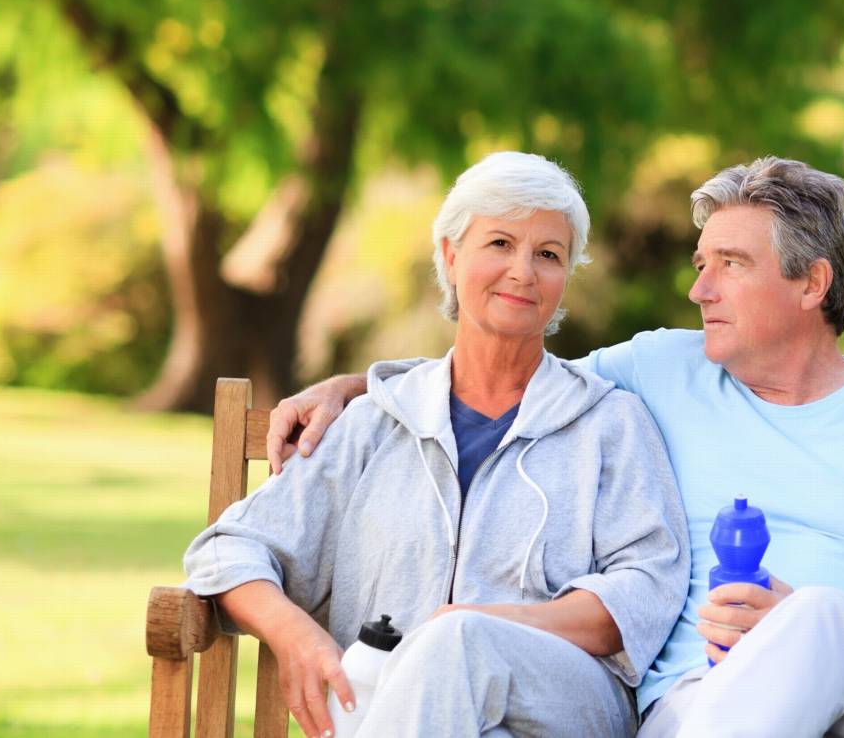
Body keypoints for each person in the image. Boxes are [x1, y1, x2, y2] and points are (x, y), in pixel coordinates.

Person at [270, 156, 844, 736]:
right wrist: (355, 388)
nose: (699, 290)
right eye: (701, 265)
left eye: (729, 266)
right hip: (695, 711)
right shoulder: (661, 369)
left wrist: (797, 628)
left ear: (812, 284)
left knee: (820, 620)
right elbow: (505, 365)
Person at [184, 152, 688, 737]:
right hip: (400, 714)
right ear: (450, 256)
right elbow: (226, 550)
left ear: (565, 277)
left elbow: (645, 588)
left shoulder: (610, 423)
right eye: (499, 243)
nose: (523, 271)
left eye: (548, 255)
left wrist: (481, 622)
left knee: (459, 642)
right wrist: (294, 634)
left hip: (564, 709)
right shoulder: (374, 423)